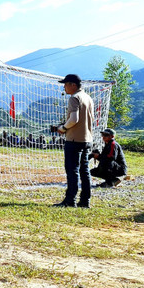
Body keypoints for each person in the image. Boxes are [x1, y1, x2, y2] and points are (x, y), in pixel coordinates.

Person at [53, 74, 95, 208]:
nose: (64, 87)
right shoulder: (88, 98)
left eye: (66, 84)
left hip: (74, 139)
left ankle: (70, 200)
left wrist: (63, 128)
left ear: (73, 85)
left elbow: (74, 119)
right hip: (87, 139)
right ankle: (85, 201)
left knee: (72, 170)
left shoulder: (74, 98)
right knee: (85, 170)